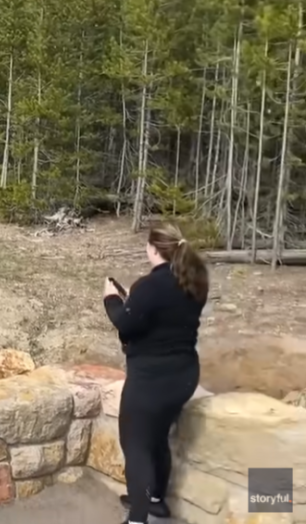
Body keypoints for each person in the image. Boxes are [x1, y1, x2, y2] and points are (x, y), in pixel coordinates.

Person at [102, 222, 209, 524]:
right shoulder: (194, 279)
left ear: (152, 249)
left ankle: (138, 518)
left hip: (151, 380)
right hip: (184, 375)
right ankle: (156, 501)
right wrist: (133, 299)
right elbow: (160, 317)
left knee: (136, 446)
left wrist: (110, 298)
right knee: (158, 437)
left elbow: (126, 323)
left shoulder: (149, 286)